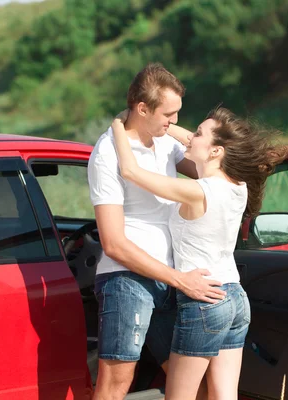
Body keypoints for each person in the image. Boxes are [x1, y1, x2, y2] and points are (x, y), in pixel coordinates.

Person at [110, 106, 288, 400]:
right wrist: (287, 150)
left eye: (197, 133)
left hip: (205, 301)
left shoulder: (197, 191)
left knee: (180, 397)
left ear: (215, 151)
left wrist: (119, 124)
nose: (188, 136)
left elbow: (130, 171)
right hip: (235, 298)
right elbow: (234, 152)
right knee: (225, 395)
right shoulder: (238, 186)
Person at [88, 63, 227, 400]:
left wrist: (285, 152)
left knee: (194, 383)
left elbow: (214, 161)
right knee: (116, 383)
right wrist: (181, 280)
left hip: (169, 279)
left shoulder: (165, 142)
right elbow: (114, 244)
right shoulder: (107, 154)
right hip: (126, 280)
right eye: (169, 113)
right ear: (142, 108)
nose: (176, 122)